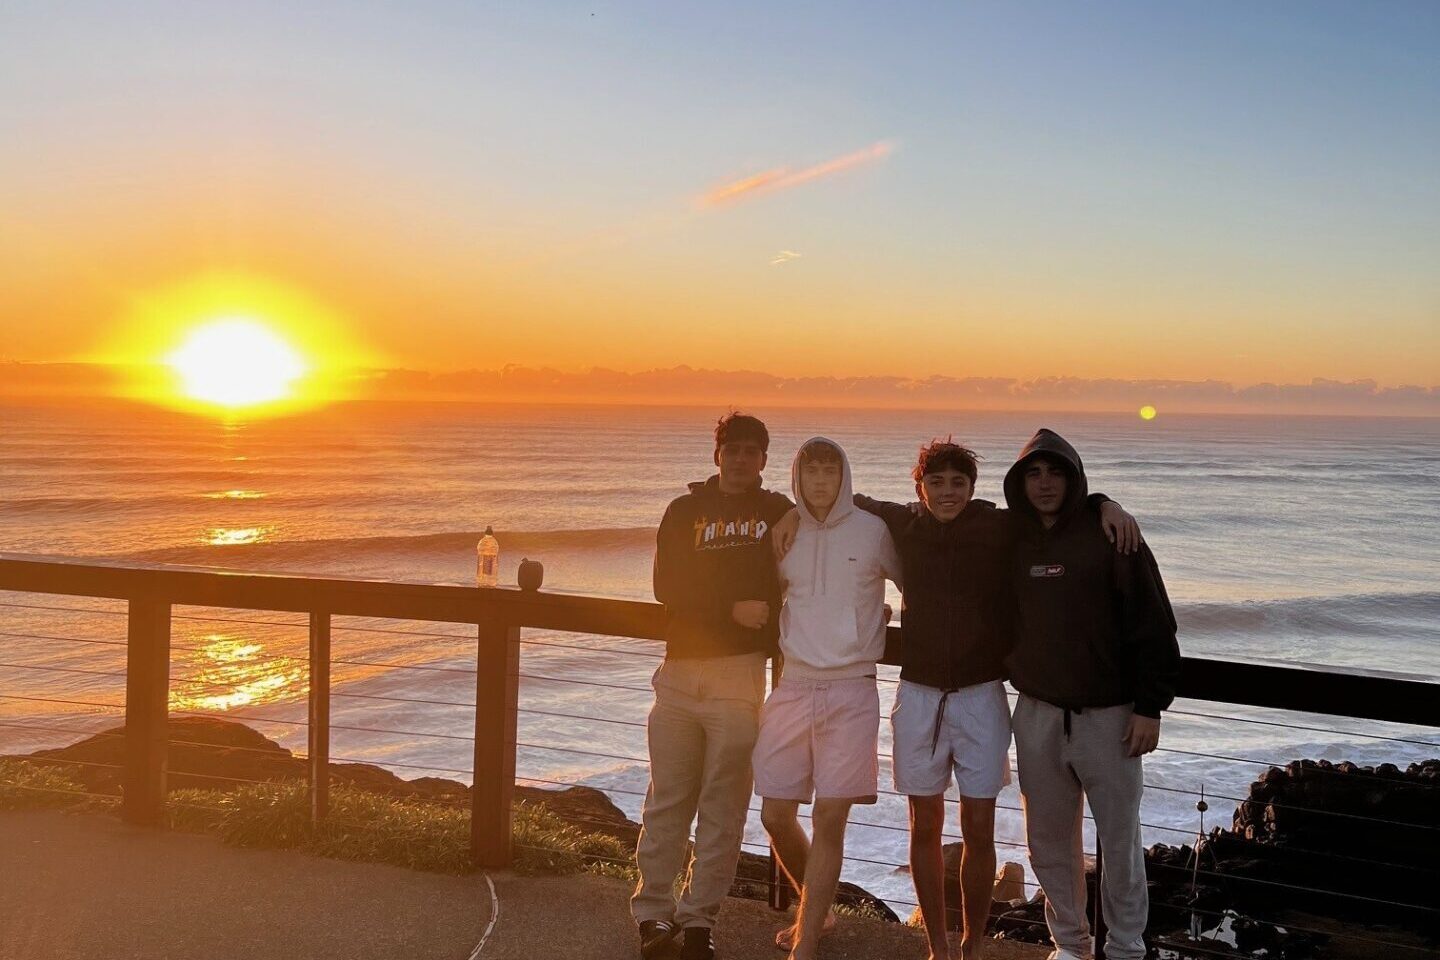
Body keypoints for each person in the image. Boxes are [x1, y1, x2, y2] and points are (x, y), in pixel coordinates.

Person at [774, 439, 1140, 960]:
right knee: (924, 826)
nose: (947, 493)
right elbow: (846, 501)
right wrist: (791, 509)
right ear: (920, 487)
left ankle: (971, 943)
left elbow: (1053, 509)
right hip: (919, 695)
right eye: (937, 482)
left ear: (973, 488)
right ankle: (938, 946)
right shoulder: (903, 524)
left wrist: (1105, 503)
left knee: (977, 826)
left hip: (981, 695)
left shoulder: (997, 526)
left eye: (958, 483)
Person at [1003, 429, 1180, 960]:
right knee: (1048, 844)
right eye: (1033, 473)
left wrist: (1150, 706)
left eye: (1055, 471)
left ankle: (1126, 948)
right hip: (1035, 715)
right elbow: (945, 516)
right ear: (1020, 482)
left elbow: (1154, 623)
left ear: (1075, 478)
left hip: (1110, 718)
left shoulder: (1113, 537)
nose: (1044, 483)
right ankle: (1072, 946)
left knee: (1120, 843)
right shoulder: (1011, 537)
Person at [632, 412, 794, 960]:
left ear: (765, 460)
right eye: (733, 449)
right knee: (668, 802)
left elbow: (808, 576)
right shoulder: (684, 511)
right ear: (716, 454)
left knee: (724, 808)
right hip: (678, 675)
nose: (742, 459)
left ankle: (699, 921)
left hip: (738, 677)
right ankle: (654, 915)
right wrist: (729, 608)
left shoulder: (778, 513)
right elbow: (666, 586)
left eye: (753, 451)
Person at [752, 438, 902, 960]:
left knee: (831, 815)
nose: (820, 480)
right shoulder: (783, 531)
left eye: (830, 470)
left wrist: (884, 622)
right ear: (798, 476)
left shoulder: (873, 531)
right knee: (774, 814)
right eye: (810, 470)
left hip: (852, 688)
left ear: (844, 476)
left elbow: (918, 586)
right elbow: (769, 592)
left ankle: (807, 940)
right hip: (793, 683)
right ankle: (821, 907)